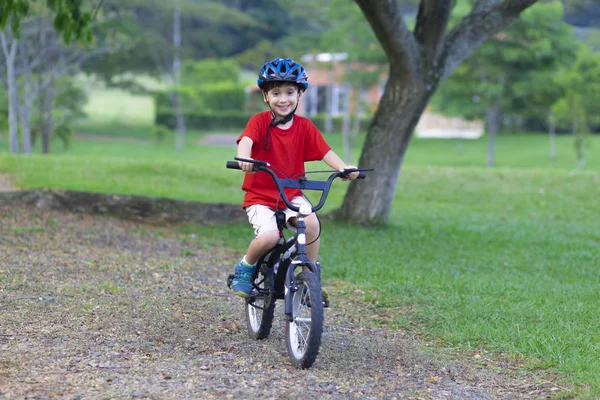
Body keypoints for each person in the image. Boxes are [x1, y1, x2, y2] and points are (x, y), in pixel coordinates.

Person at [230, 57, 359, 298]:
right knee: (269, 237)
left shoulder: (305, 127)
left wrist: (343, 169)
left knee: (311, 225)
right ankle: (246, 266)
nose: (283, 99)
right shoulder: (258, 122)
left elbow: (325, 152)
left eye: (290, 92)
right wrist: (244, 159)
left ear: (300, 94)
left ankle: (310, 275)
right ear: (265, 96)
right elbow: (246, 141)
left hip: (291, 194)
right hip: (260, 197)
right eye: (276, 93)